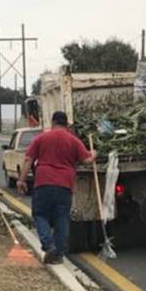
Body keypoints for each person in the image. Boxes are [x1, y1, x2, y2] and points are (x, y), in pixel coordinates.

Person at [20, 111, 95, 264]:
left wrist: (21, 180)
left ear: (53, 123)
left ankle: (49, 245)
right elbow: (87, 159)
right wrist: (94, 153)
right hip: (64, 185)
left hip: (43, 182)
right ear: (67, 125)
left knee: (40, 215)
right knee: (62, 219)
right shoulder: (73, 140)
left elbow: (28, 159)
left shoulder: (41, 138)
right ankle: (58, 255)